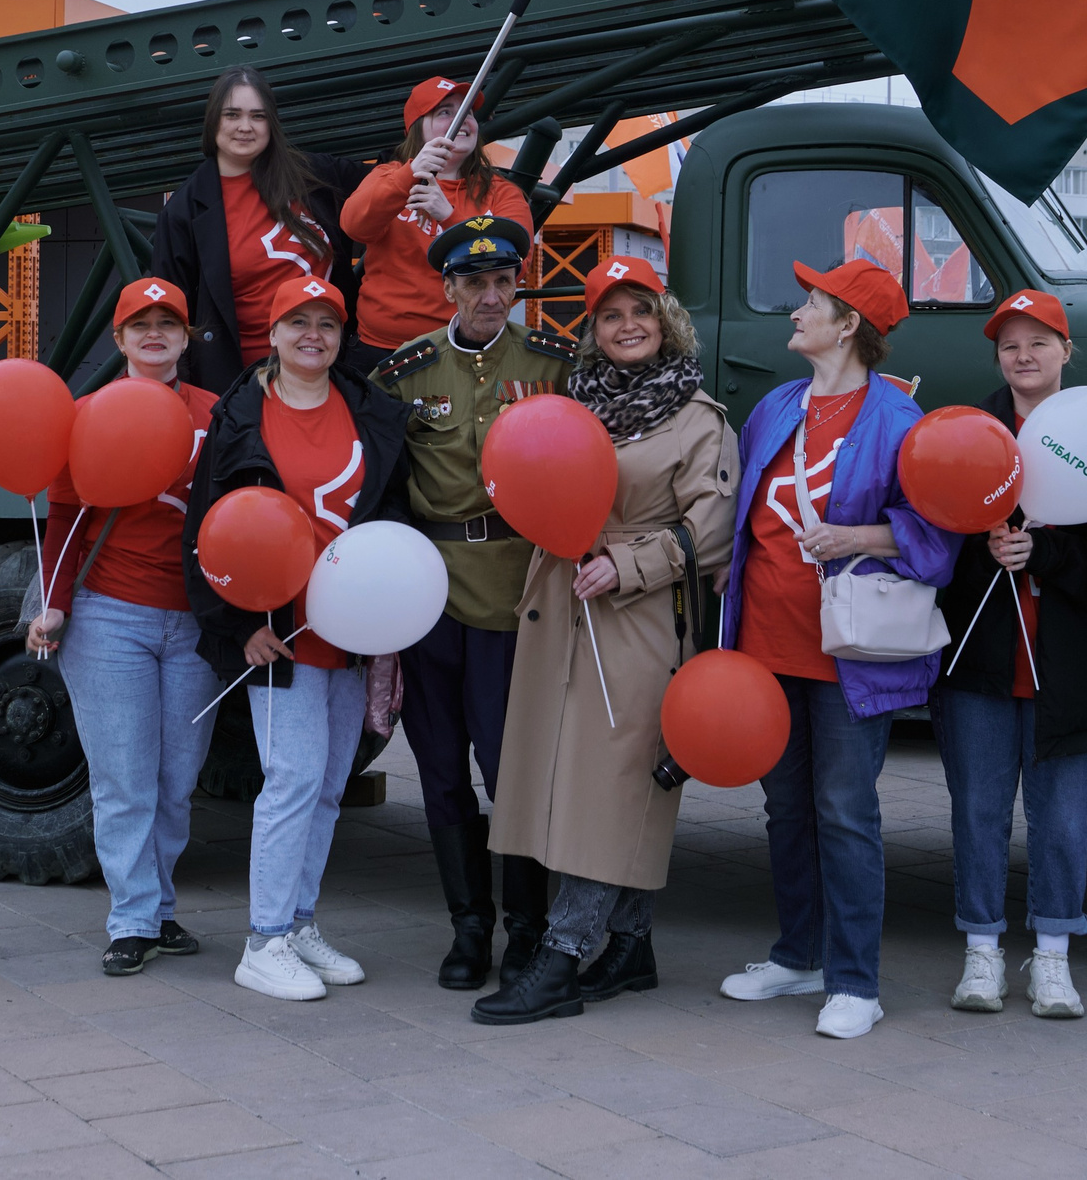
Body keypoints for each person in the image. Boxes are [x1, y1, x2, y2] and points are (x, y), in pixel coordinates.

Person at [478, 256, 739, 1024]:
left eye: (642, 311)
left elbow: (711, 532)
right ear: (591, 331)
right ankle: (630, 945)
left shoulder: (700, 417)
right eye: (611, 314)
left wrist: (626, 563)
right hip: (560, 604)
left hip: (642, 616)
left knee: (613, 786)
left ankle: (561, 958)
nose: (628, 326)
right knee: (559, 780)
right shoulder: (573, 402)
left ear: (667, 323)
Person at [716, 258, 956, 1040]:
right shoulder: (775, 407)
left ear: (848, 323)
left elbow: (937, 537)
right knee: (785, 807)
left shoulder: (899, 419)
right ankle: (800, 955)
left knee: (845, 811)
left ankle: (856, 979)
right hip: (766, 644)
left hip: (851, 653)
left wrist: (855, 535)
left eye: (809, 303)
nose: (795, 313)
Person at [186, 275, 411, 1002]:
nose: (312, 334)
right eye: (297, 321)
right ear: (273, 334)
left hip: (350, 632)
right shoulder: (238, 416)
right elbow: (206, 530)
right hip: (279, 636)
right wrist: (240, 623)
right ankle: (263, 938)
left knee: (326, 788)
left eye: (326, 322)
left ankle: (300, 920)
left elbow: (391, 513)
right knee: (289, 782)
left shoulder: (371, 409)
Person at [369, 216, 575, 991]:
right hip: (428, 594)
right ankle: (468, 928)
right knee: (440, 769)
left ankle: (525, 927)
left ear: (518, 284)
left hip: (514, 591)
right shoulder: (406, 371)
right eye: (474, 281)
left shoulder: (554, 361)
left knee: (509, 767)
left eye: (503, 280)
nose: (491, 294)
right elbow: (382, 479)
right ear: (448, 286)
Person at [933, 289, 1087, 1022]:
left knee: (1060, 823)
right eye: (1010, 344)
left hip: (1068, 670)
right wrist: (981, 546)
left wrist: (1045, 549)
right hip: (981, 667)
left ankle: (1053, 957)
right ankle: (980, 952)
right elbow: (935, 549)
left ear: (1065, 351)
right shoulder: (970, 433)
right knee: (978, 811)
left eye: (1038, 342)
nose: (1024, 355)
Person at [24, 280, 221, 977]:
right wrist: (52, 602)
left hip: (196, 621)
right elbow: (64, 522)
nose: (156, 333)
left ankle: (161, 907)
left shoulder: (217, 415)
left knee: (175, 777)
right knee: (124, 776)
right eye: (141, 324)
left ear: (186, 335)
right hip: (111, 613)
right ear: (120, 339)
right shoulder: (86, 415)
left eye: (169, 322)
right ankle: (135, 916)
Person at [151, 67, 359, 393]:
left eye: (257, 116)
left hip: (330, 371)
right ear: (213, 120)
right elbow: (168, 312)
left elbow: (385, 181)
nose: (245, 127)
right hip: (242, 385)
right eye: (232, 114)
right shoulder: (184, 210)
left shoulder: (314, 176)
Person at [341, 76, 534, 368]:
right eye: (445, 112)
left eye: (467, 112)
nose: (463, 120)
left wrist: (450, 218)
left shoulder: (501, 192)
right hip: (382, 350)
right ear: (418, 126)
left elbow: (519, 265)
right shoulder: (388, 176)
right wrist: (409, 174)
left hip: (464, 349)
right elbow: (354, 225)